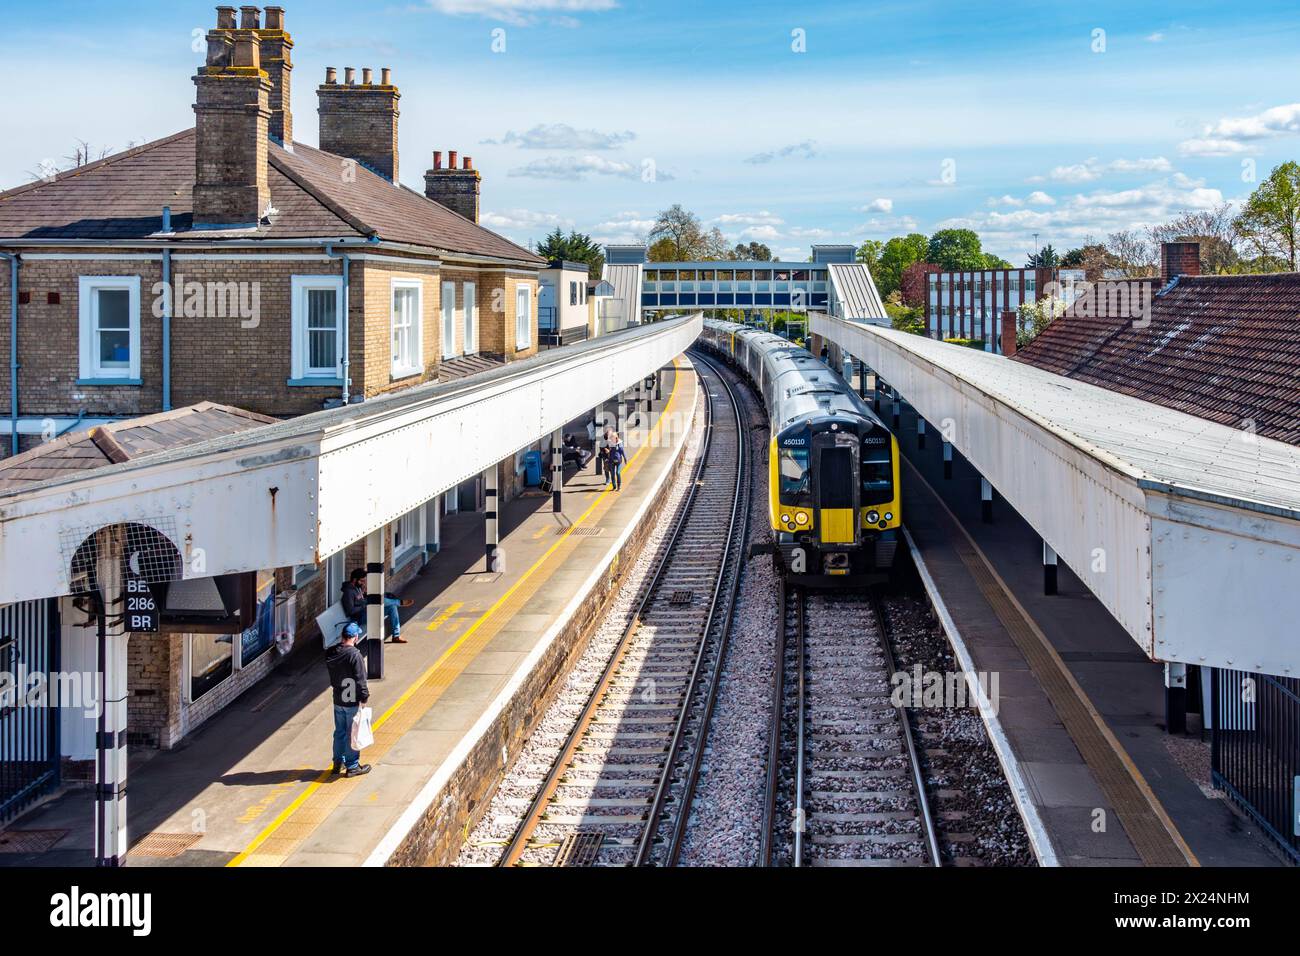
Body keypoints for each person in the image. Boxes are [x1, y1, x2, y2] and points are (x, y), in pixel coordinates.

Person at [326, 622, 371, 777]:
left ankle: (337, 763)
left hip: (338, 698)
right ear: (355, 637)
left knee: (339, 732)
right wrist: (364, 697)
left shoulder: (331, 652)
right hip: (351, 699)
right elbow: (360, 679)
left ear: (342, 636)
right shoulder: (354, 655)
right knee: (352, 732)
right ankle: (352, 766)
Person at [342, 568, 414, 644]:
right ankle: (399, 602)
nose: (363, 583)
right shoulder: (348, 592)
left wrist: (365, 593)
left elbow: (360, 600)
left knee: (392, 607)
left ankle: (396, 636)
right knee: (377, 599)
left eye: (364, 581)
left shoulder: (357, 587)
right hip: (360, 617)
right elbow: (350, 611)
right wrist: (365, 605)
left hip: (367, 611)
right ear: (354, 580)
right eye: (361, 581)